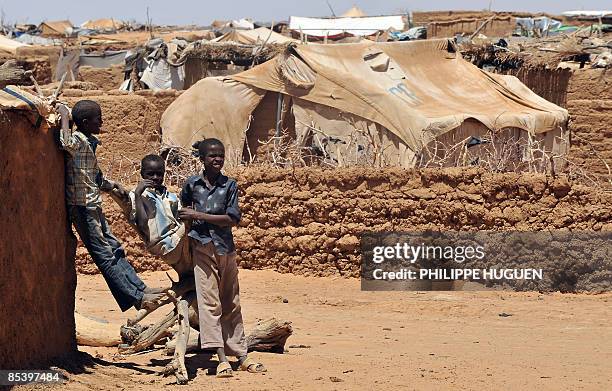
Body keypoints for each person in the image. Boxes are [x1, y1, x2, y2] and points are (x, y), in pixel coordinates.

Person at [56, 100, 164, 312]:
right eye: (98, 118)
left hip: (92, 203)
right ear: (85, 122)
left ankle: (140, 289)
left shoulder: (88, 142)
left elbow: (94, 176)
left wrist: (113, 186)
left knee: (114, 248)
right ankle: (136, 298)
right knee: (104, 254)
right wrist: (64, 116)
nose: (102, 122)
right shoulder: (77, 139)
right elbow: (65, 142)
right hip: (82, 206)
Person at [179, 138, 266, 377]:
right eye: (212, 155)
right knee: (210, 304)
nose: (217, 159)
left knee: (232, 302)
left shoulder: (230, 185)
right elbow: (181, 209)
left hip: (225, 248)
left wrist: (199, 215)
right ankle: (220, 359)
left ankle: (241, 354)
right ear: (202, 159)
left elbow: (232, 218)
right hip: (202, 249)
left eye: (221, 155)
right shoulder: (191, 185)